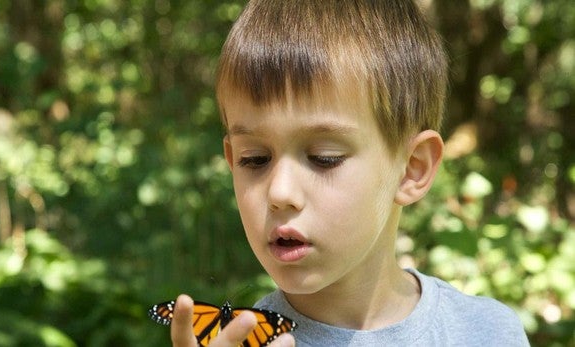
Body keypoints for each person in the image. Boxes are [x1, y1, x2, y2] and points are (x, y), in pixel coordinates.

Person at [170, 0, 530, 346]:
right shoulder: (244, 342)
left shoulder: (488, 333)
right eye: (255, 159)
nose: (279, 192)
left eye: (324, 157)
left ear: (412, 169)